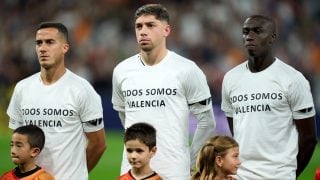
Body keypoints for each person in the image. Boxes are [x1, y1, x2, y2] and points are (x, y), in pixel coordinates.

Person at [112, 4, 216, 179]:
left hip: (173, 171)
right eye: (139, 26)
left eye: (150, 25)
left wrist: (191, 162)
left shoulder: (187, 70)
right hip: (130, 171)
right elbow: (125, 116)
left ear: (166, 30)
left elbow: (207, 122)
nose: (143, 31)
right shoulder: (122, 71)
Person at [221, 14, 317, 179]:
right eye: (246, 32)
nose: (250, 36)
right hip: (242, 176)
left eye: (257, 31)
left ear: (272, 37)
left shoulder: (293, 79)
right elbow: (236, 130)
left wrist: (291, 174)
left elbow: (309, 138)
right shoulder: (231, 78)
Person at [6, 22, 106, 180]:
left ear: (64, 48)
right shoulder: (22, 88)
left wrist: (76, 174)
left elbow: (99, 144)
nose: (43, 48)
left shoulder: (81, 89)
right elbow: (18, 142)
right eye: (39, 43)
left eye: (50, 42)